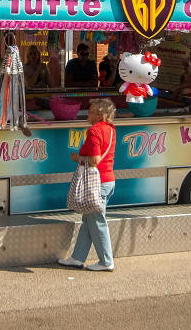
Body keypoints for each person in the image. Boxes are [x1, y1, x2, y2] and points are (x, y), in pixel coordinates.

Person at [58, 98, 117, 271]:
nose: (87, 114)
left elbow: (94, 160)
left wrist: (76, 157)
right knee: (88, 220)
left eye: (90, 111)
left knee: (97, 222)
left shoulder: (94, 131)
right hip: (108, 180)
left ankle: (106, 261)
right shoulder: (111, 129)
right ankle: (77, 257)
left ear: (99, 115)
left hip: (97, 184)